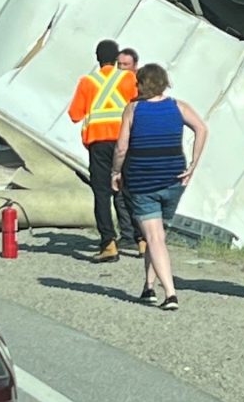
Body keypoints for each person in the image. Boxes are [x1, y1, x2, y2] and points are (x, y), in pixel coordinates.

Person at [111, 64, 208, 311]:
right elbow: (202, 128)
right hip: (174, 179)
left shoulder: (133, 109)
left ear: (142, 84)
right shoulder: (178, 106)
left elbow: (121, 148)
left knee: (153, 237)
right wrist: (194, 163)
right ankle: (148, 286)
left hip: (143, 180)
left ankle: (171, 293)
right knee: (157, 237)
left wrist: (115, 172)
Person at [67, 39, 138, 262]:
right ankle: (142, 241)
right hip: (125, 140)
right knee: (130, 189)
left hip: (98, 143)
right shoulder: (128, 78)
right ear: (117, 58)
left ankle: (109, 244)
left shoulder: (87, 82)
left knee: (102, 193)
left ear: (97, 58)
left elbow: (75, 114)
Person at [115, 46, 148, 260]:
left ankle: (140, 236)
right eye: (119, 65)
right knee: (120, 192)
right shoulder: (114, 85)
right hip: (119, 141)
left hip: (134, 145)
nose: (121, 69)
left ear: (135, 66)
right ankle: (129, 234)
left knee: (133, 193)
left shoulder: (141, 88)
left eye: (125, 65)